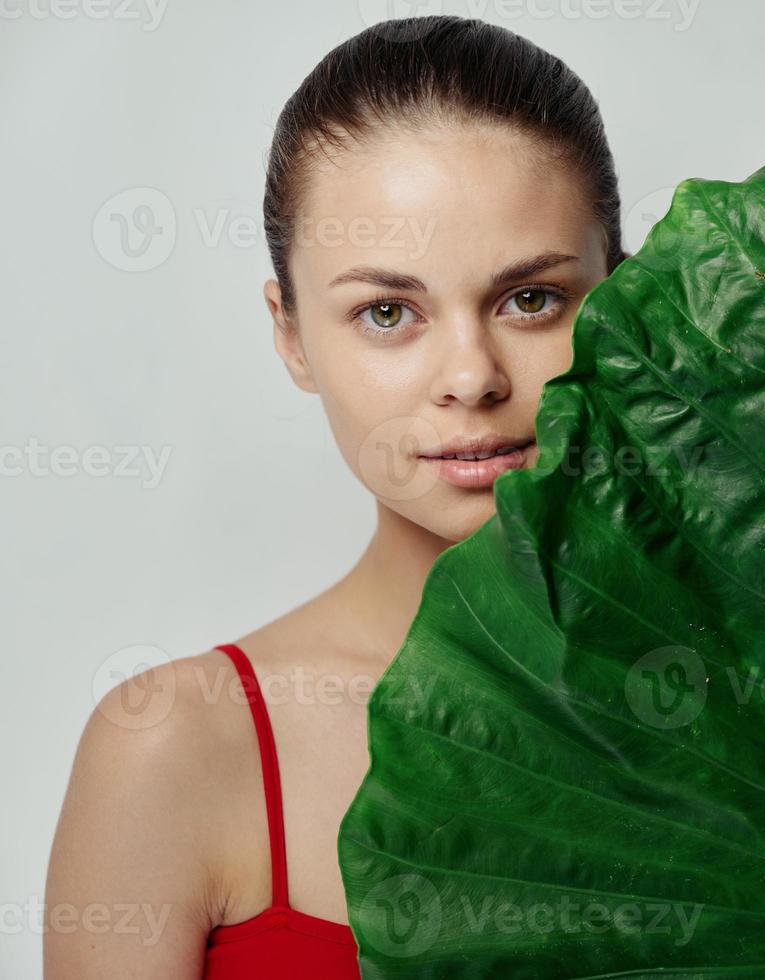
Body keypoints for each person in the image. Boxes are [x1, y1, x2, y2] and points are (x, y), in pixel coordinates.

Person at [44, 15, 628, 978]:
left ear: (624, 300)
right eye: (387, 313)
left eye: (531, 299)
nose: (472, 377)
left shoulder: (764, 697)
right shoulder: (175, 744)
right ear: (293, 336)